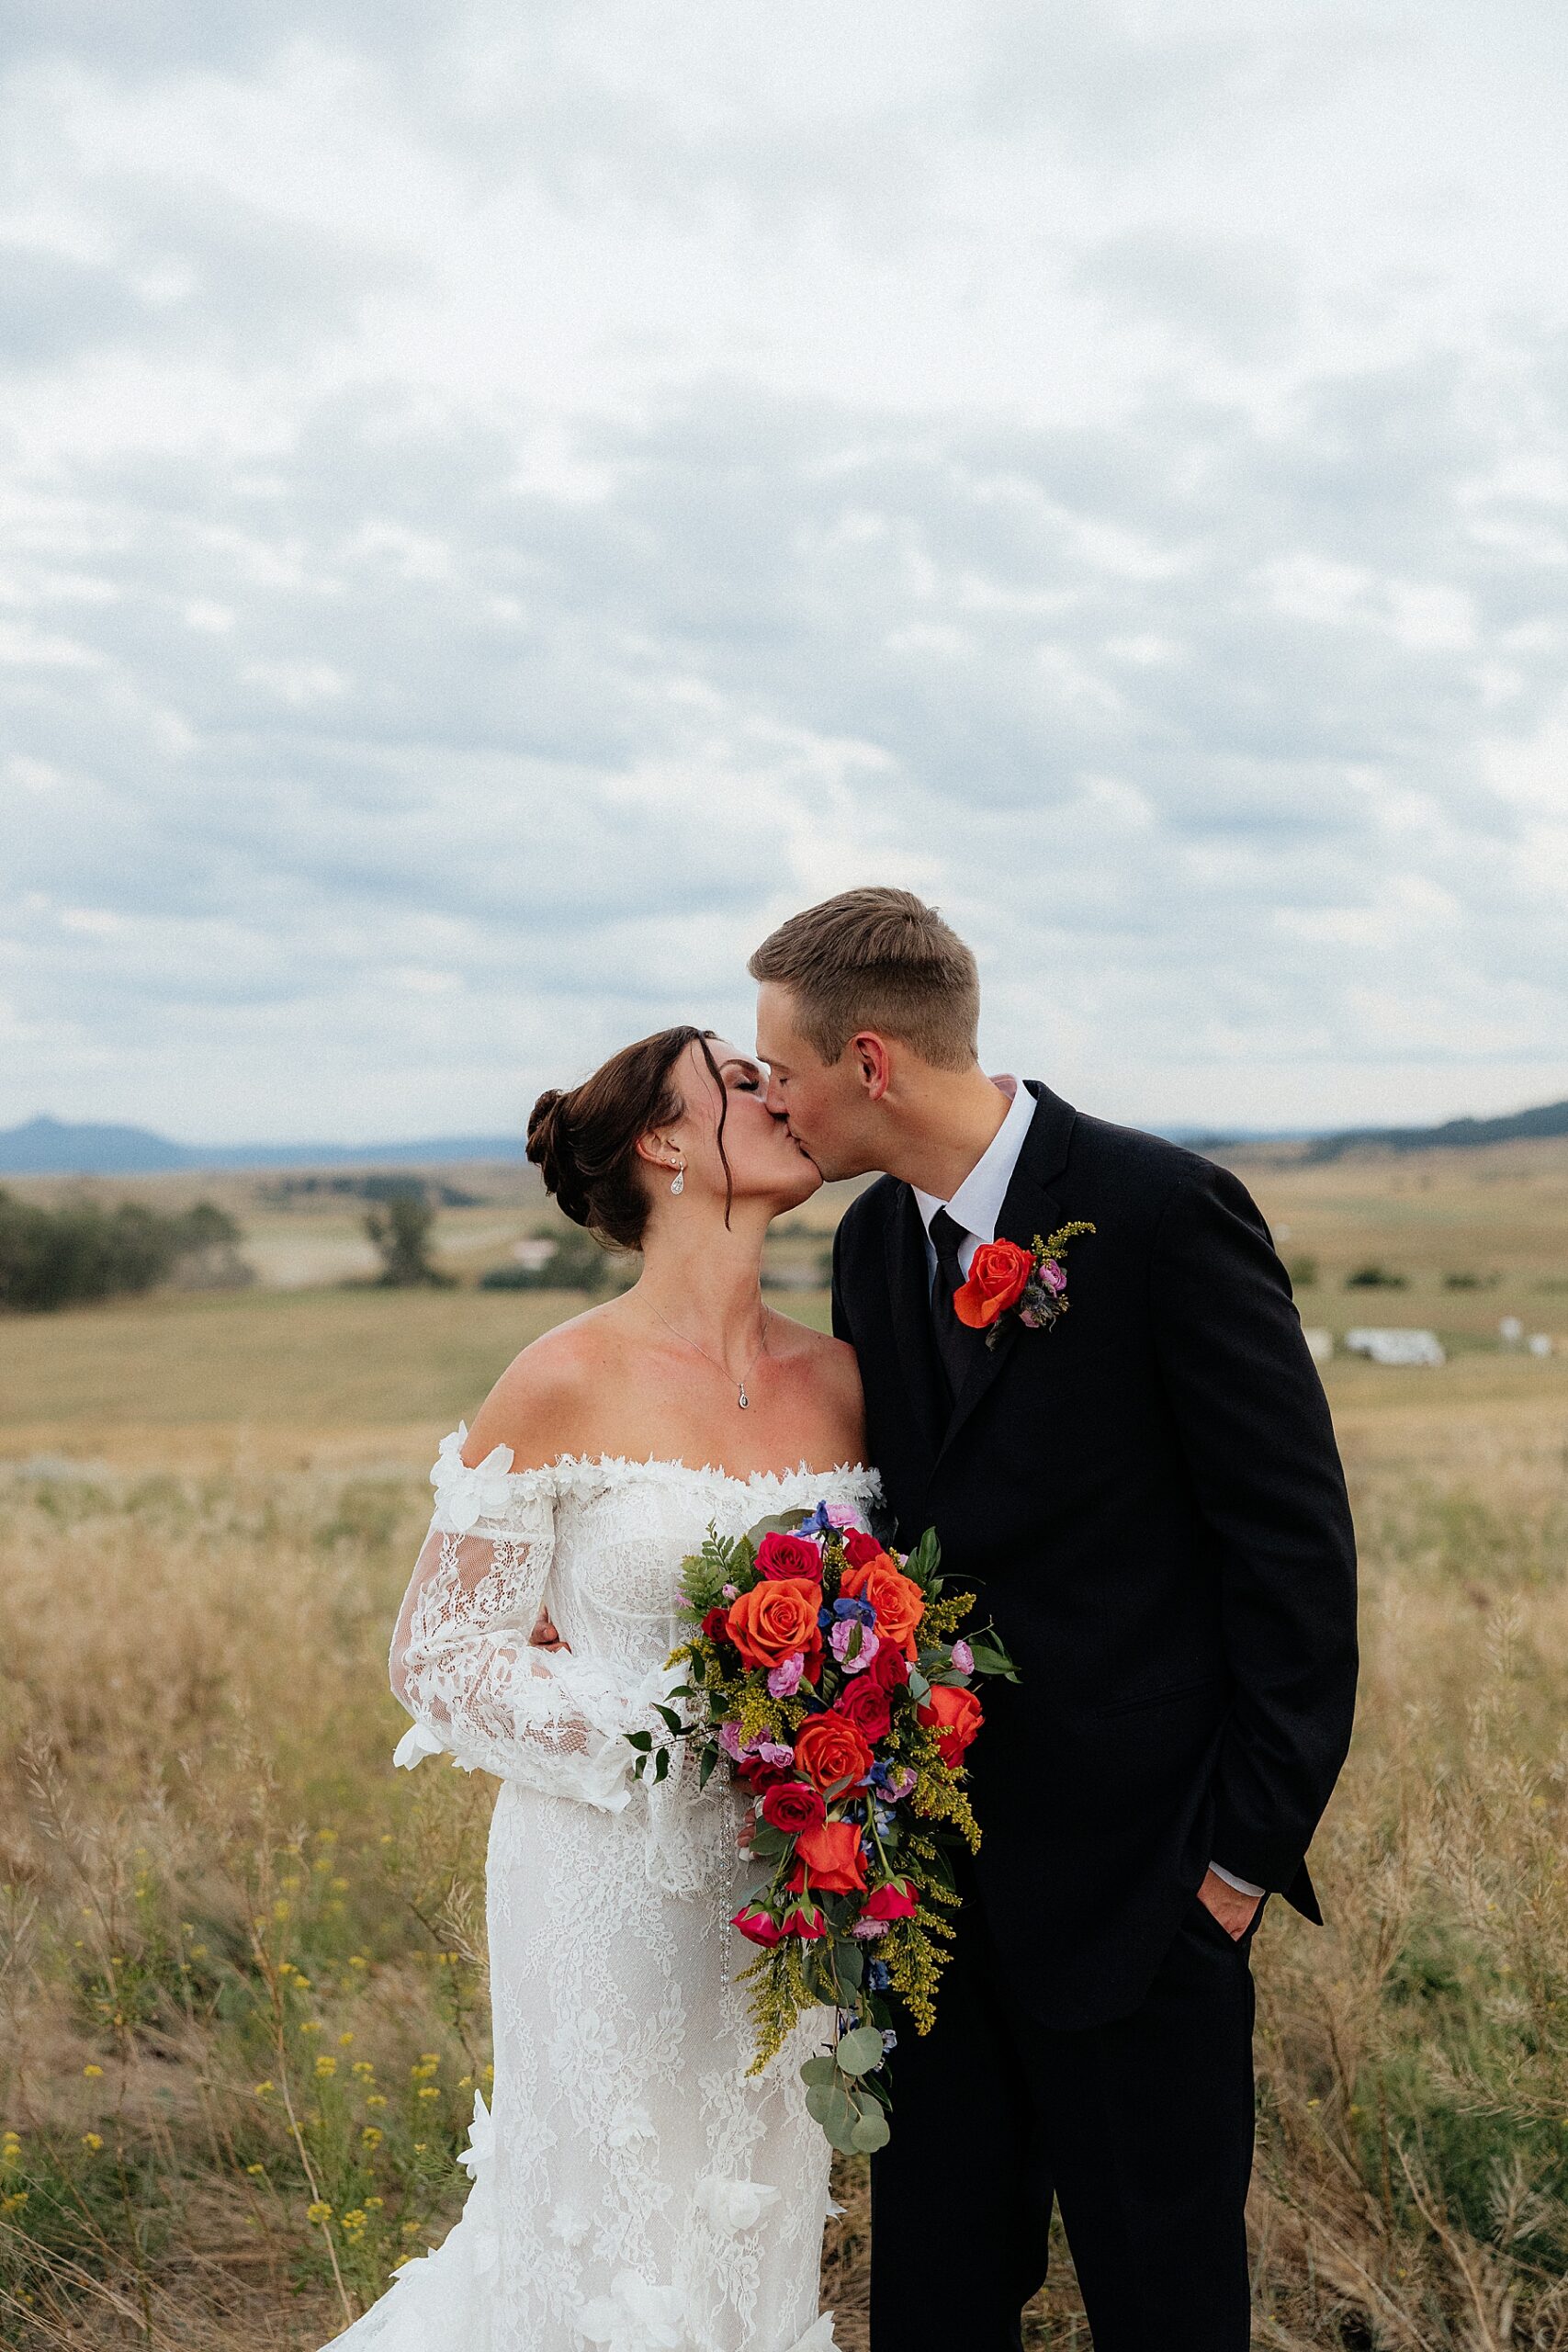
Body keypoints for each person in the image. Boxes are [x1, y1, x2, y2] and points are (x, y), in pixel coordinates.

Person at [750, 888, 1359, 2352]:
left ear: (872, 1064)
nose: (774, 1100)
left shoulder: (1161, 1212)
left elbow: (1294, 1558)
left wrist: (1232, 1870)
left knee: (1165, 2306)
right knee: (938, 2306)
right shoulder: (875, 1245)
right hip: (941, 1909)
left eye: (783, 1069)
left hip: (1148, 1896)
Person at [323, 1025, 868, 2352]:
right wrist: (688, 1738)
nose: (777, 1092)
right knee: (612, 2248)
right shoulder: (563, 1376)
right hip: (605, 1891)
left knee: (750, 2226)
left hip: (788, 1895)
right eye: (740, 1081)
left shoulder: (850, 1378)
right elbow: (440, 1657)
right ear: (664, 1144)